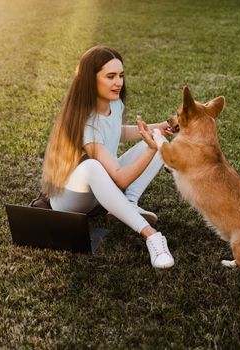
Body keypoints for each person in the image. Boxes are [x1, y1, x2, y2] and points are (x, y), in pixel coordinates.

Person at [41, 46, 175, 269]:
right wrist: (150, 150)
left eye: (121, 76)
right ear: (90, 80)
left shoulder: (114, 104)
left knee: (159, 139)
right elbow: (120, 179)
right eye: (110, 76)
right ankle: (151, 236)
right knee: (93, 166)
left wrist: (157, 128)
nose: (118, 83)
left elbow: (117, 131)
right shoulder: (86, 123)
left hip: (101, 191)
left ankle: (128, 204)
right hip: (72, 199)